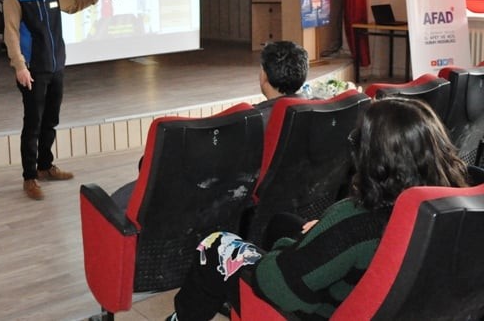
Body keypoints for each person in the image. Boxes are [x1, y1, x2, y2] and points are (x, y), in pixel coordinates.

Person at [166, 97, 471, 321]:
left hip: (322, 310)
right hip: (391, 298)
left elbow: (275, 285)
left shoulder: (355, 220)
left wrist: (299, 244)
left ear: (374, 159)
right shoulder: (452, 206)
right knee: (282, 223)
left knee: (217, 245)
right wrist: (321, 234)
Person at [110, 40, 309, 209]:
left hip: (229, 202)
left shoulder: (249, 122)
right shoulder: (315, 111)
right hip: (287, 200)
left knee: (124, 198)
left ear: (264, 75)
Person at [3, 0, 123, 201]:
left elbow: (76, 5)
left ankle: (45, 166)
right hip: (33, 70)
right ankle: (29, 177)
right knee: (33, 124)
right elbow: (11, 33)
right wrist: (20, 65)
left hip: (56, 67)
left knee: (51, 121)